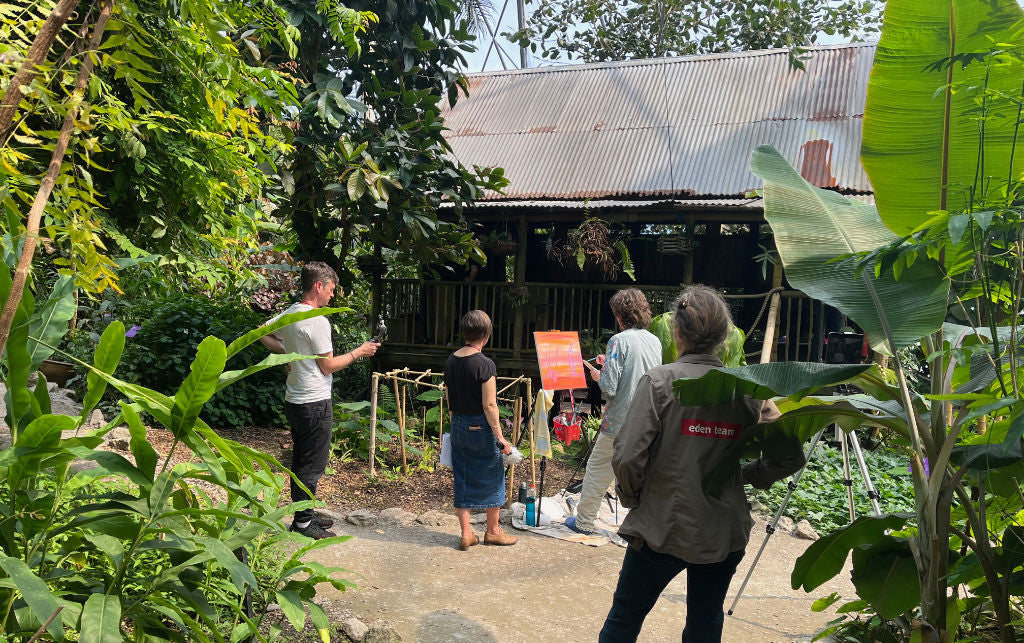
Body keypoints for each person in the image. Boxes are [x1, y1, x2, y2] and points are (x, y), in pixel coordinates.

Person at [599, 285, 805, 643]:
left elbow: (628, 455)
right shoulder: (749, 389)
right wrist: (747, 475)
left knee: (625, 618)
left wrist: (633, 498)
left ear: (676, 332)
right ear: (724, 337)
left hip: (660, 527)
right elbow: (790, 457)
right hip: (721, 532)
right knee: (705, 623)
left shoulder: (660, 382)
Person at [260, 262, 379, 539]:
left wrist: (288, 355)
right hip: (314, 402)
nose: (332, 296)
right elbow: (328, 366)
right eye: (331, 289)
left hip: (296, 401)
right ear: (319, 286)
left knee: (303, 458)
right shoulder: (318, 320)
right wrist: (359, 352)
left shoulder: (291, 313)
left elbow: (262, 332)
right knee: (311, 464)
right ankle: (302, 524)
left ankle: (306, 512)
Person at [565, 288, 662, 535]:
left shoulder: (618, 340)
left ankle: (584, 522)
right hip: (648, 419)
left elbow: (609, 386)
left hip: (620, 420)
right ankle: (640, 526)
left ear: (620, 314)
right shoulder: (654, 341)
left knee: (598, 470)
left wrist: (599, 374)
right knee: (639, 475)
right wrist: (608, 364)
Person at [444, 310, 517, 550]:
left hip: (458, 424)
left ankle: (466, 533)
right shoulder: (485, 364)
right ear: (486, 335)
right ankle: (493, 531)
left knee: (462, 475)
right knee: (493, 473)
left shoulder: (451, 360)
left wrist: (456, 422)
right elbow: (489, 404)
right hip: (480, 426)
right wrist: (500, 437)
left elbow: (448, 398)